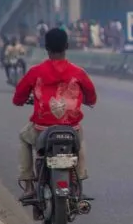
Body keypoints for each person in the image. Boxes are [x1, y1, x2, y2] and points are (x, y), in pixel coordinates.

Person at [12, 28, 97, 200]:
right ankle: (78, 181)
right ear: (66, 46)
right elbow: (92, 97)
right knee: (79, 141)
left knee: (23, 137)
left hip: (42, 128)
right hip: (70, 127)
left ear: (46, 47)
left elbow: (18, 98)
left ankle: (28, 184)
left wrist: (23, 100)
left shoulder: (35, 72)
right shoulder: (78, 72)